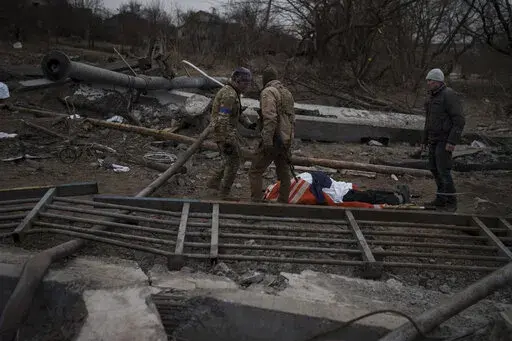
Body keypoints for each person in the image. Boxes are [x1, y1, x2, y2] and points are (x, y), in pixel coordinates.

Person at [207, 67, 256, 199]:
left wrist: (250, 125)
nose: (247, 86)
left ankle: (214, 182)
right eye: (245, 83)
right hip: (224, 132)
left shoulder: (234, 92)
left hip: (226, 131)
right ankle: (224, 193)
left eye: (248, 83)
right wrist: (226, 140)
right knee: (234, 162)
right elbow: (223, 117)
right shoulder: (229, 95)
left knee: (229, 160)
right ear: (237, 81)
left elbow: (237, 114)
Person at [249, 66, 295, 203]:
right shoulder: (287, 93)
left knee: (255, 171)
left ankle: (256, 203)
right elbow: (292, 118)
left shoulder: (268, 92)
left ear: (265, 79)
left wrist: (267, 140)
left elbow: (270, 118)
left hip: (274, 138)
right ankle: (283, 202)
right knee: (283, 173)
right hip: (286, 138)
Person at [422, 68, 465, 211]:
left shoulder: (449, 95)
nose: (428, 83)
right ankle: (440, 199)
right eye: (427, 80)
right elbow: (429, 120)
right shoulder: (432, 97)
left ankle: (452, 202)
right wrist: (424, 139)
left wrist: (452, 141)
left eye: (431, 80)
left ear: (438, 81)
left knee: (444, 171)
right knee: (434, 169)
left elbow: (459, 120)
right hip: (433, 139)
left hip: (444, 140)